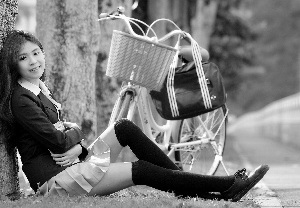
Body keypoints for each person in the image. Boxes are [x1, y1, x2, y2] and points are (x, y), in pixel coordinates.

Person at [0, 30, 269, 201]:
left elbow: (64, 136)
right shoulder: (21, 99)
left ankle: (186, 186)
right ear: (14, 64)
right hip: (56, 180)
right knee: (140, 170)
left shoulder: (37, 88)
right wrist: (75, 136)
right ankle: (226, 185)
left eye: (36, 53)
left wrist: (77, 141)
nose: (34, 61)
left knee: (124, 127)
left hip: (71, 163)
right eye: (24, 58)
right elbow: (58, 141)